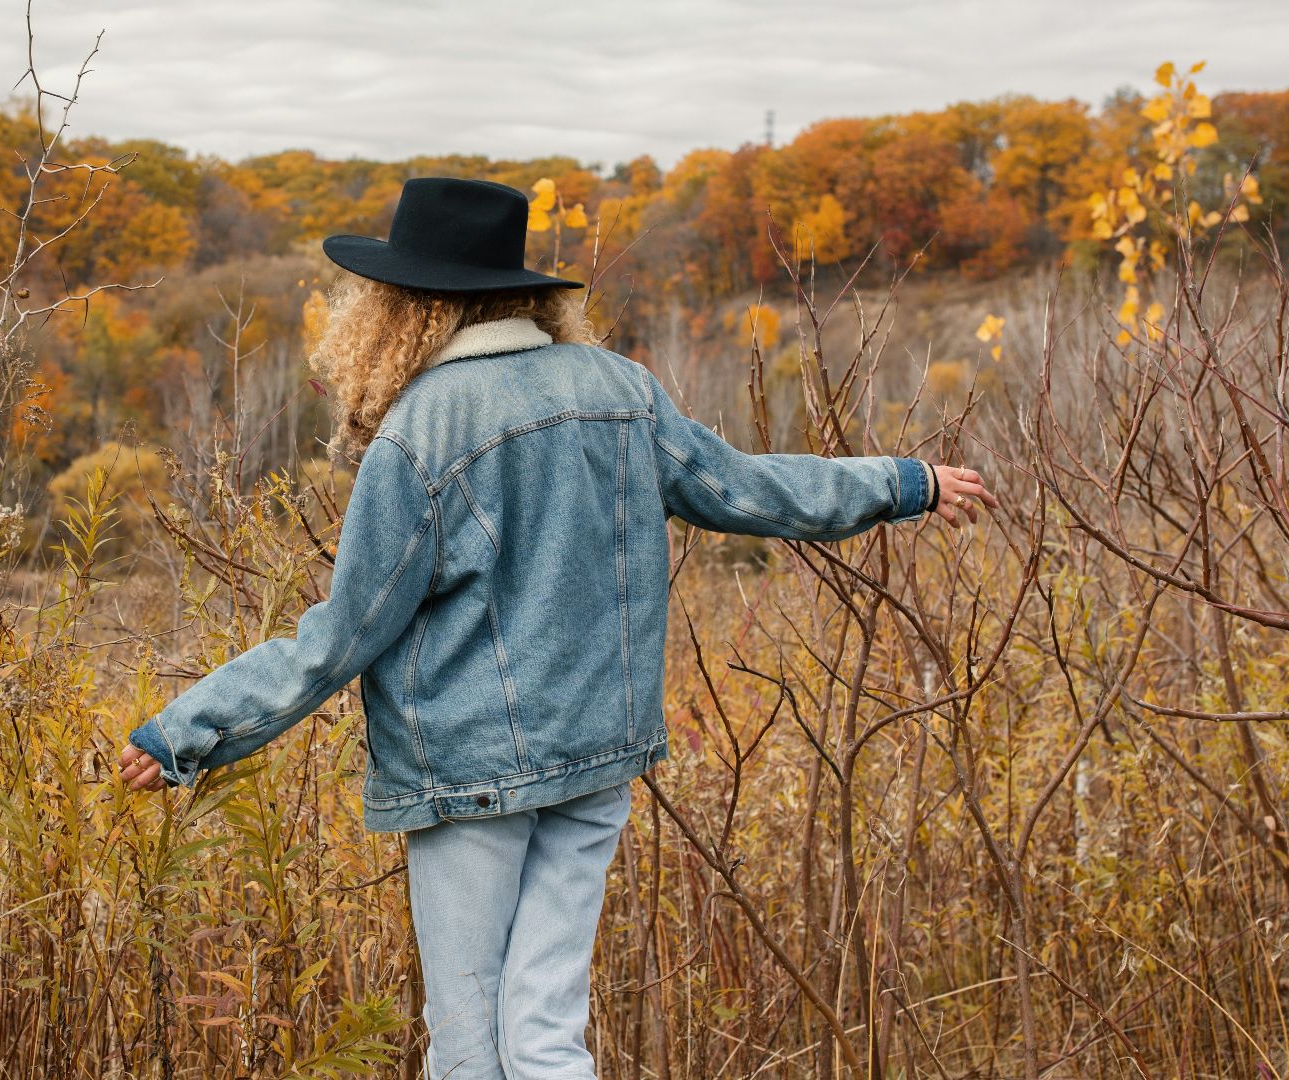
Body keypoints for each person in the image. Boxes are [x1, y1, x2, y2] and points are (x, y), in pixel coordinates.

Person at [119, 176, 997, 1077]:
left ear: (406, 309)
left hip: (472, 780)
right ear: (523, 291)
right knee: (545, 1032)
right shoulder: (620, 388)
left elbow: (341, 637)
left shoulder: (422, 430)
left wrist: (188, 733)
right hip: (596, 760)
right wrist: (905, 482)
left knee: (465, 1042)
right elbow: (748, 490)